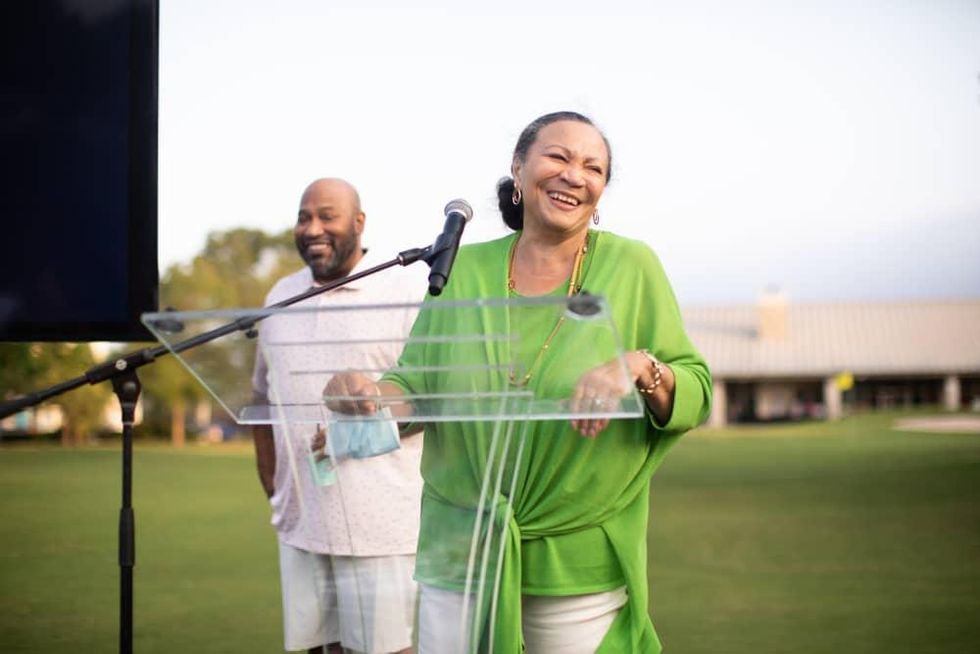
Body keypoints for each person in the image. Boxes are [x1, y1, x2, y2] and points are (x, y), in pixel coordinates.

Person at [325, 113, 712, 653]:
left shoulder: (632, 266)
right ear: (518, 168)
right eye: (558, 156)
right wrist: (368, 397)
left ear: (601, 190)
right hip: (462, 547)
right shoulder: (461, 269)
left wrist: (639, 366)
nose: (574, 175)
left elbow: (694, 388)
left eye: (592, 167)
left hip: (574, 554)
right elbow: (415, 386)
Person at [252, 178, 424, 654]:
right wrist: (275, 484)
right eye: (304, 217)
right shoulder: (279, 297)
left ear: (359, 223)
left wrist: (356, 432)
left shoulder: (404, 290)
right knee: (318, 649)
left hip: (383, 526)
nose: (313, 228)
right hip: (301, 523)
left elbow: (433, 401)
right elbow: (262, 397)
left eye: (327, 215)